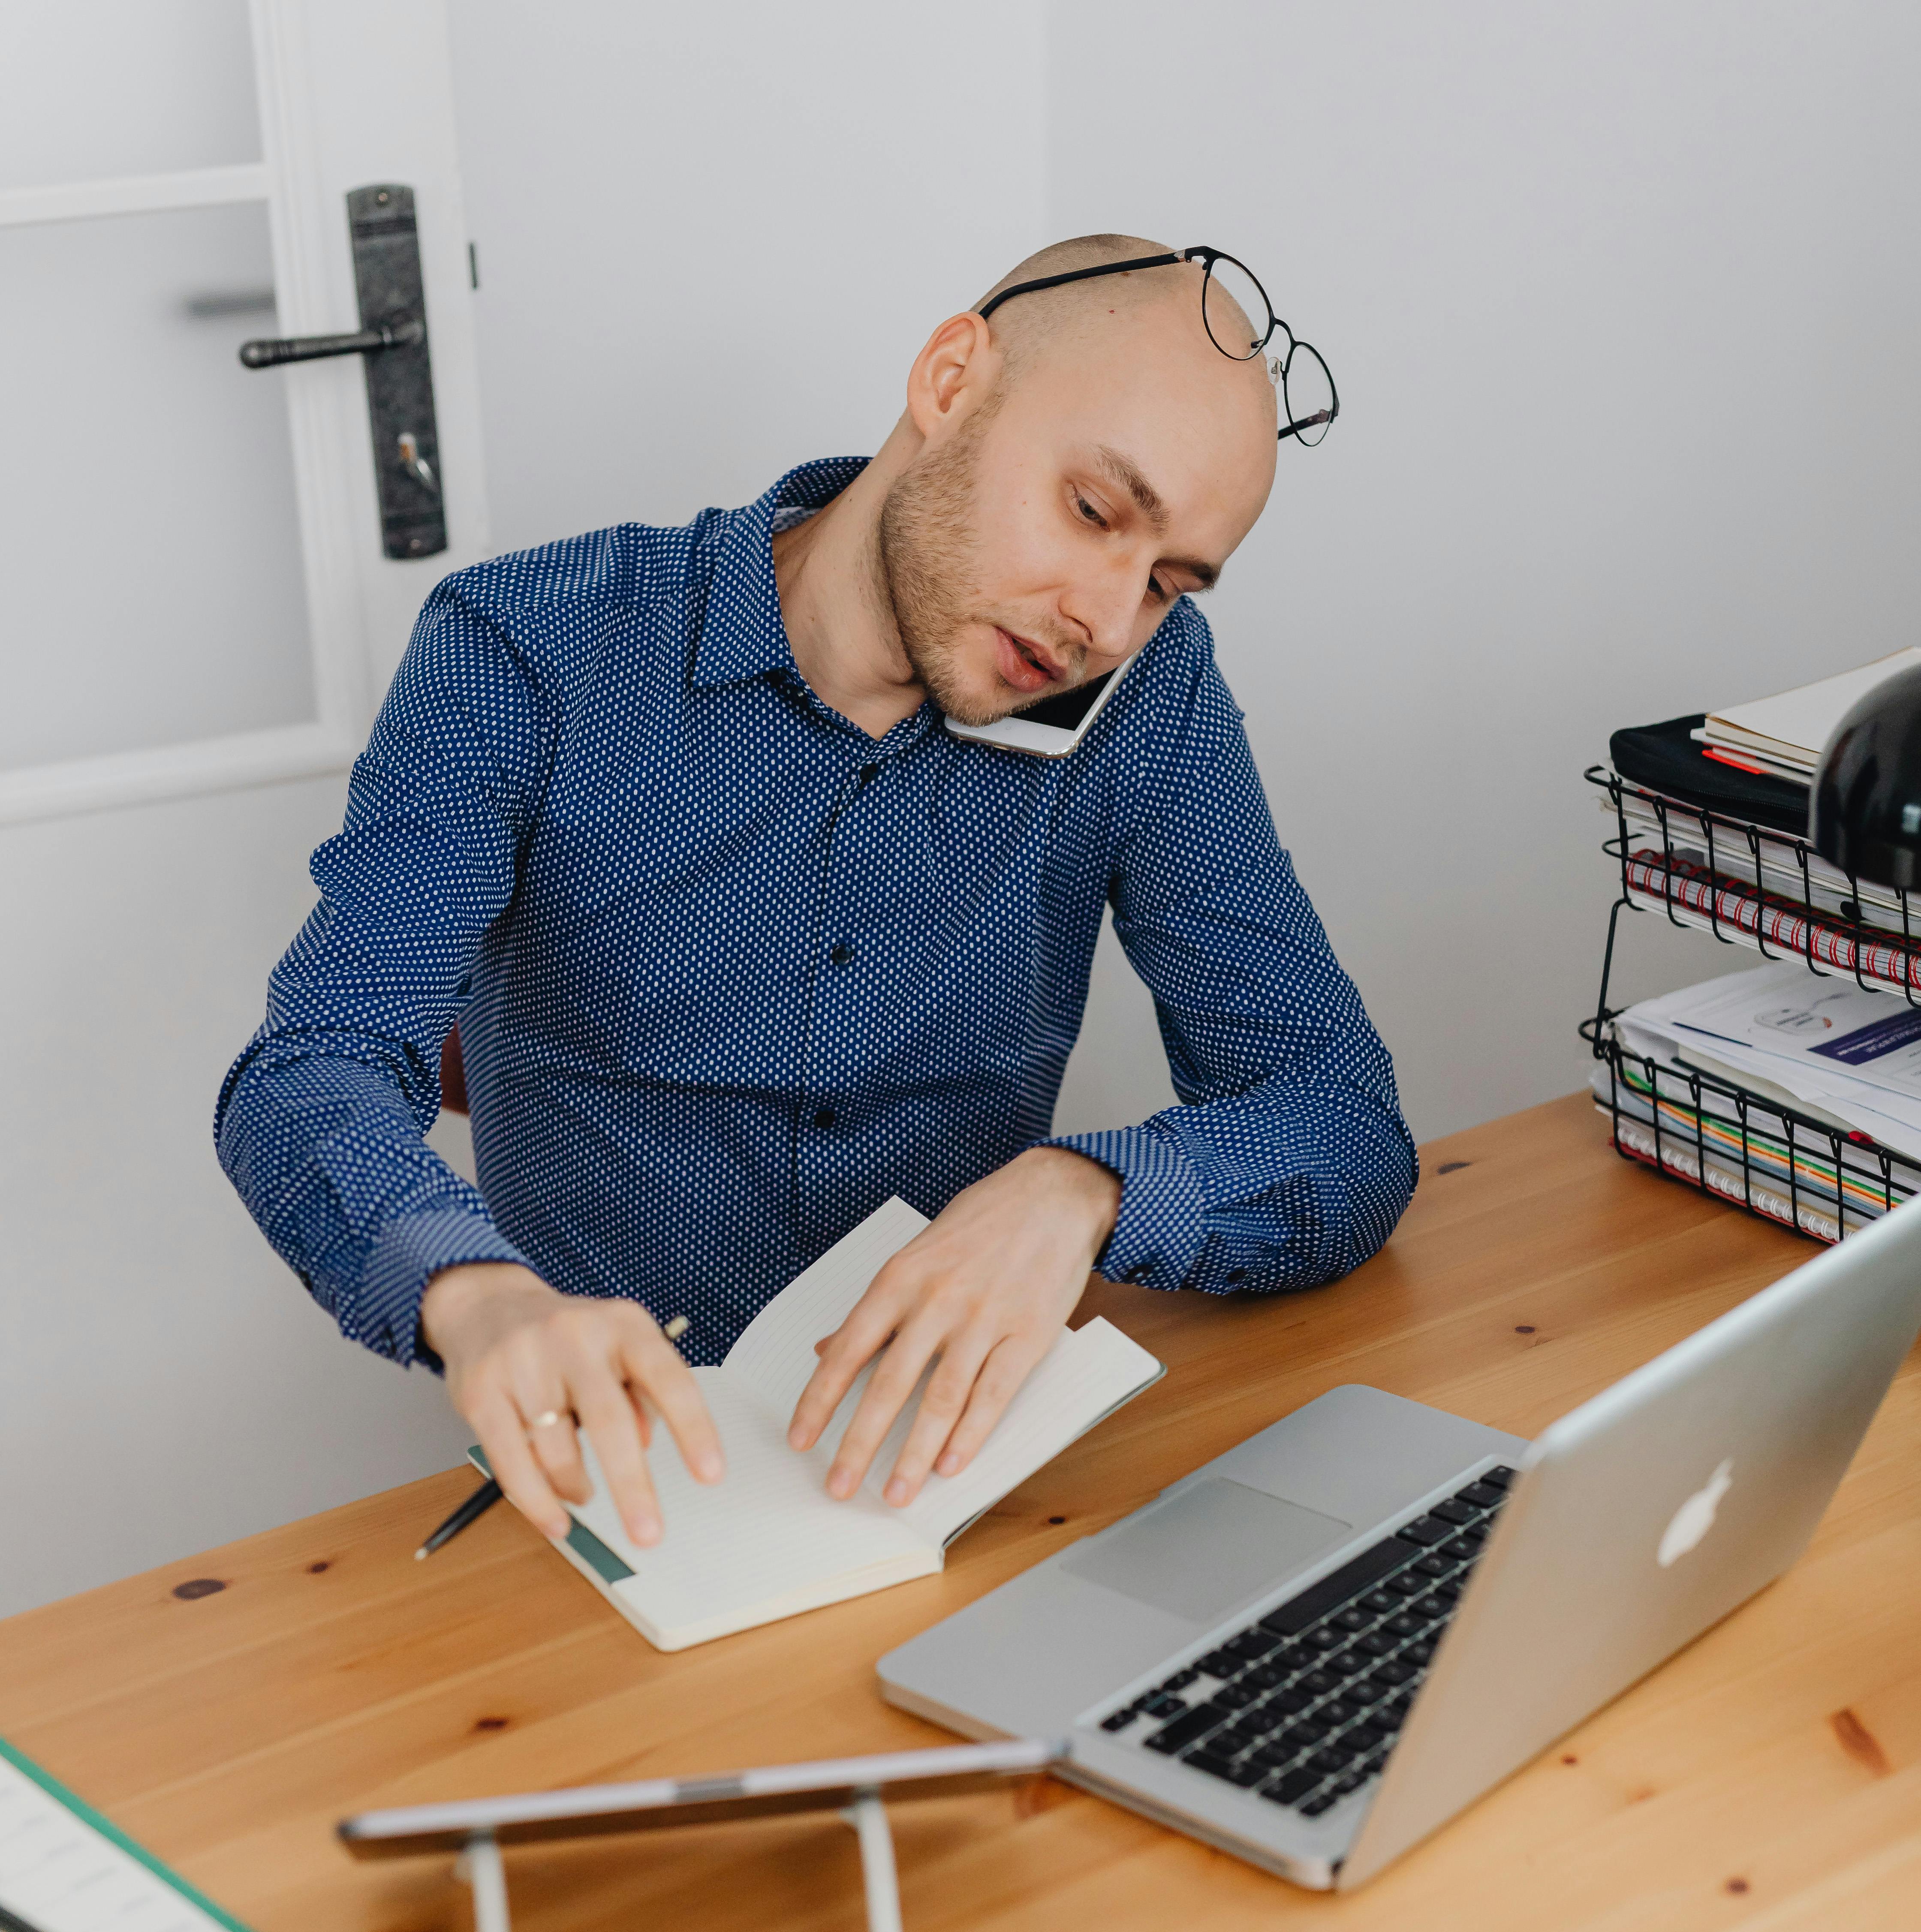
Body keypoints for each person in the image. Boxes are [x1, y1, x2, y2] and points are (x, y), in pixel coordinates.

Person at [217, 235, 1415, 1553]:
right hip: (635, 1494)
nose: (1105, 619)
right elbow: (310, 1069)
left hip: (957, 1477)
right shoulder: (529, 649)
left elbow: (1340, 1121)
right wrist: (479, 1295)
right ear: (951, 379)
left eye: (1169, 581)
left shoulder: (1150, 695)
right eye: (1092, 512)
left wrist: (1085, 1191)